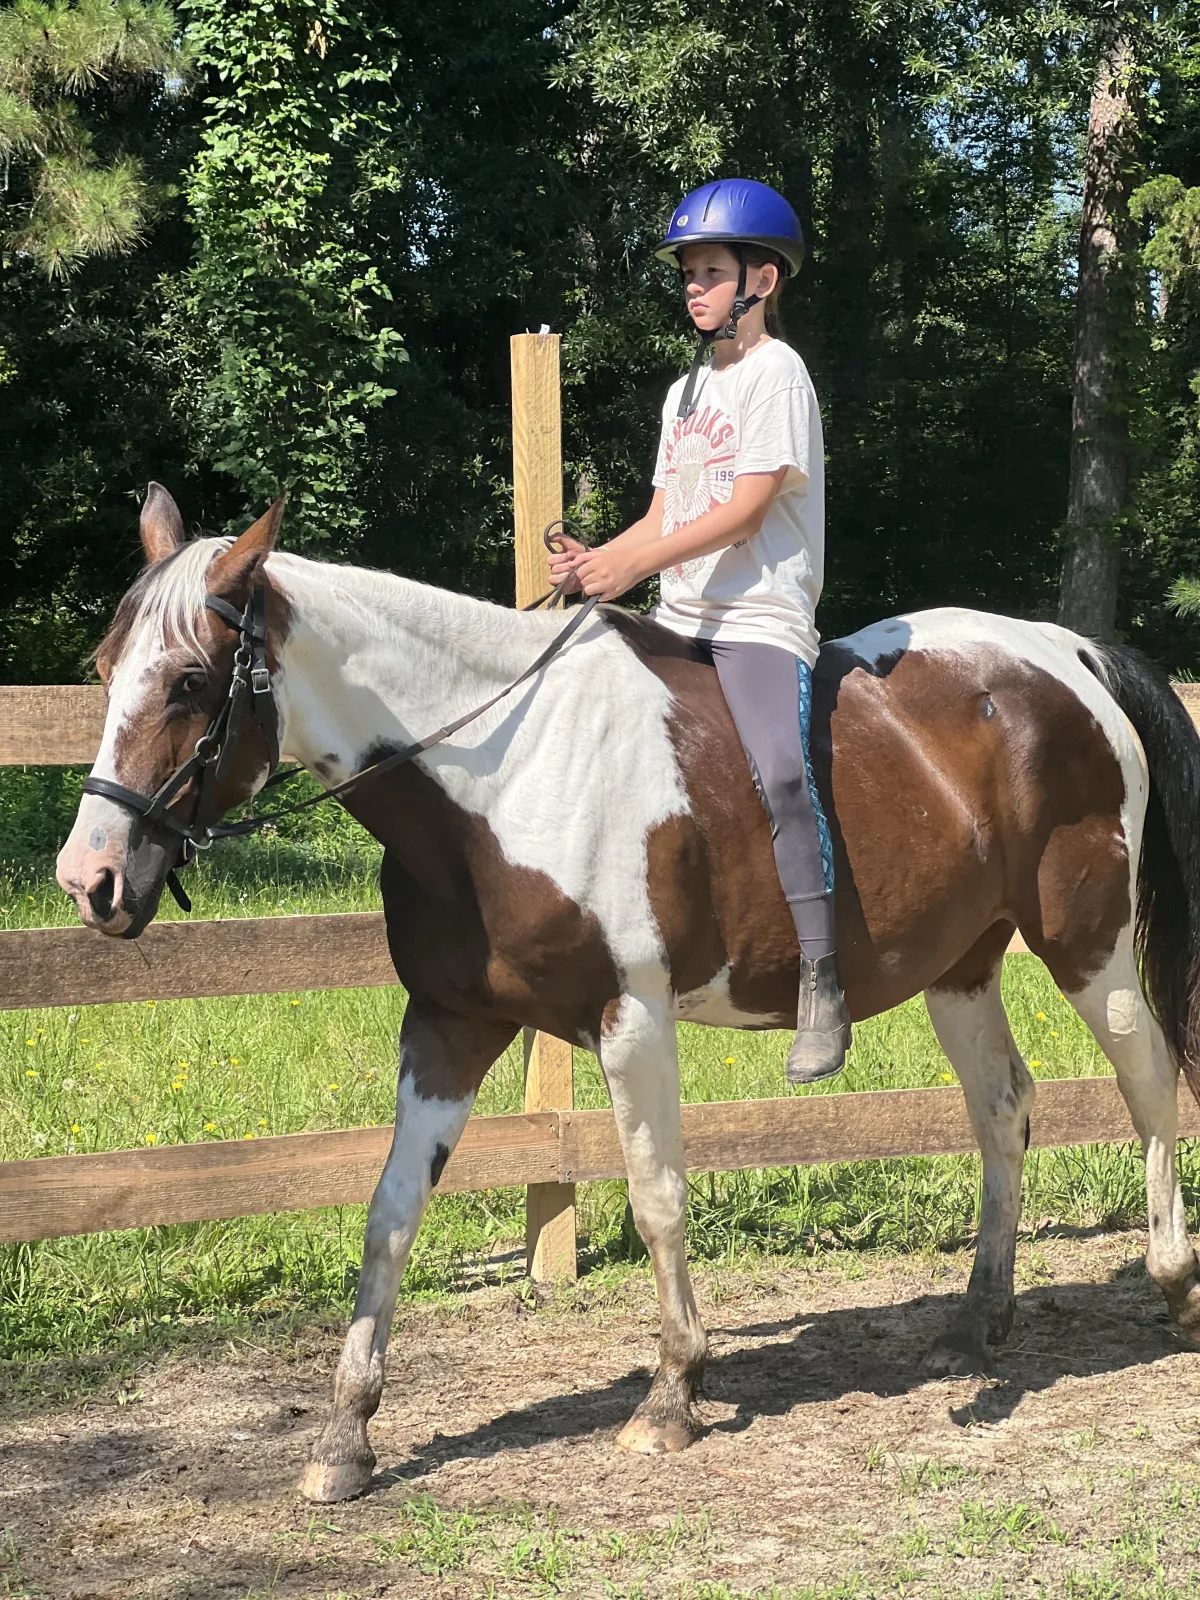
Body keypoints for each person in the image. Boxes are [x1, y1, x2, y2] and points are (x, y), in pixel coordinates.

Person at [548, 176, 850, 1084]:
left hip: (758, 617)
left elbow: (747, 511)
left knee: (783, 775)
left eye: (711, 270)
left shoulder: (776, 375)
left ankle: (821, 980)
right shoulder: (685, 392)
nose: (693, 286)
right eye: (688, 271)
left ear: (763, 280)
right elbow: (664, 513)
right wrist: (599, 561)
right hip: (679, 615)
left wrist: (629, 567)